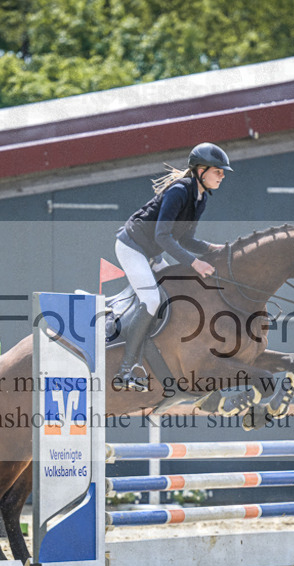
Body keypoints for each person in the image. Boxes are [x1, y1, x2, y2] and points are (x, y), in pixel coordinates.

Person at [113, 142, 232, 390]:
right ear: (200, 170)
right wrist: (194, 263)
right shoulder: (179, 191)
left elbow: (186, 239)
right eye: (218, 171)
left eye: (222, 172)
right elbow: (163, 236)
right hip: (133, 247)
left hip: (152, 251)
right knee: (152, 300)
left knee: (176, 296)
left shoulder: (200, 198)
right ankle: (125, 369)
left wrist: (214, 249)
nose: (222, 176)